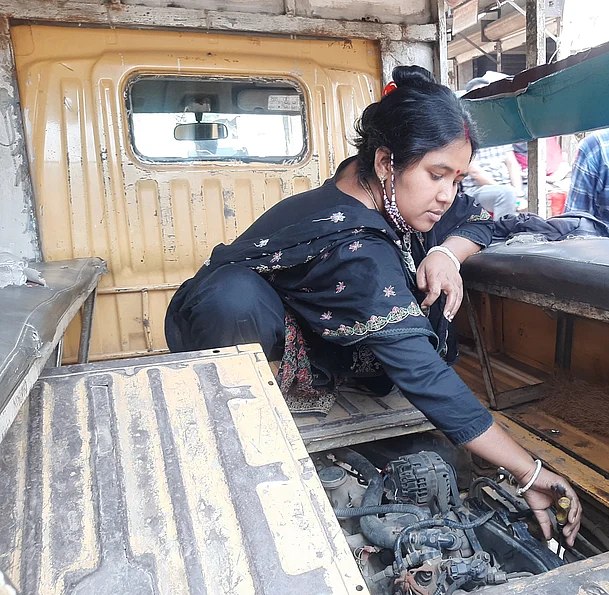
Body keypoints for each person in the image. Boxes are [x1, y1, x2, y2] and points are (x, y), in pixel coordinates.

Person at [165, 65, 582, 544]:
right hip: (234, 329)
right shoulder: (356, 245)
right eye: (436, 175)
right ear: (386, 163)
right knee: (233, 300)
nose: (447, 195)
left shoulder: (361, 180)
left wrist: (447, 253)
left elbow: (477, 218)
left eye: (457, 178)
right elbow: (422, 374)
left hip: (313, 331)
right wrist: (530, 472)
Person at [459, 77, 524, 219]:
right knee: (506, 194)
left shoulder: (500, 130)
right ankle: (502, 231)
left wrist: (519, 194)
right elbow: (475, 172)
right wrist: (508, 193)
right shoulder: (464, 131)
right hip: (479, 190)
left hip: (506, 188)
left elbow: (512, 164)